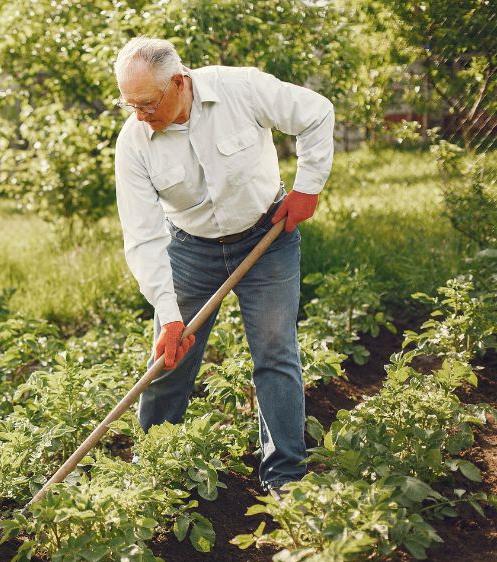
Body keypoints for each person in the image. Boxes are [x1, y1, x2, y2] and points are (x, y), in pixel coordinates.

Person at [112, 37, 335, 495]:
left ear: (179, 82)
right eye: (128, 104)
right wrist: (170, 316)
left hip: (266, 236)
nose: (139, 115)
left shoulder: (240, 89)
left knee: (275, 352)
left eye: (147, 103)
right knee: (170, 357)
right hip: (190, 249)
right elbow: (144, 235)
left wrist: (307, 186)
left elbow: (316, 112)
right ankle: (152, 470)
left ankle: (285, 477)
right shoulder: (134, 142)